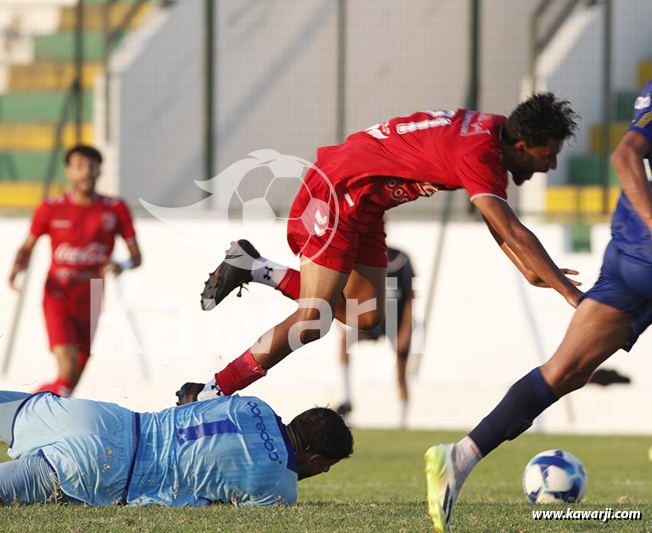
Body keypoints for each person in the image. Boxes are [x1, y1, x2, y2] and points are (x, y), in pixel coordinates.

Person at [176, 93, 582, 405]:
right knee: (313, 320)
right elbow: (509, 227)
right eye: (551, 155)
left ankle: (254, 266)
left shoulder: (494, 131)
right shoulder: (478, 154)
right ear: (525, 145)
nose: (552, 166)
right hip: (337, 192)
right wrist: (570, 292)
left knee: (367, 315)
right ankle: (212, 390)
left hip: (367, 202)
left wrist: (531, 271)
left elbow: (500, 223)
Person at [0, 279, 353, 511]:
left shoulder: (256, 407)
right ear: (311, 457)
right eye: (322, 469)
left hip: (102, 419)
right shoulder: (280, 488)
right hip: (105, 467)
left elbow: (194, 400)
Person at [423, 80, 652, 532]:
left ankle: (461, 457)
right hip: (643, 251)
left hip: (628, 256)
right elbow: (624, 155)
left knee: (564, 372)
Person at [8, 145, 142, 398]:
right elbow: (27, 246)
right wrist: (18, 266)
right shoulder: (51, 208)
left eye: (91, 166)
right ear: (68, 172)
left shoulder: (115, 209)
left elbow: (137, 257)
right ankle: (20, 416)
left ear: (99, 171)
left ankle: (32, 415)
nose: (86, 173)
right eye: (79, 166)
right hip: (58, 294)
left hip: (92, 296)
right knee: (67, 368)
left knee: (71, 380)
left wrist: (120, 264)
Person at [335, 246, 415, 425]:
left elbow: (411, 297)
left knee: (401, 374)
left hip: (397, 319)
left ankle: (403, 422)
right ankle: (347, 400)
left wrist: (406, 331)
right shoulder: (365, 257)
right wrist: (342, 318)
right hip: (374, 318)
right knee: (345, 341)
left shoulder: (401, 259)